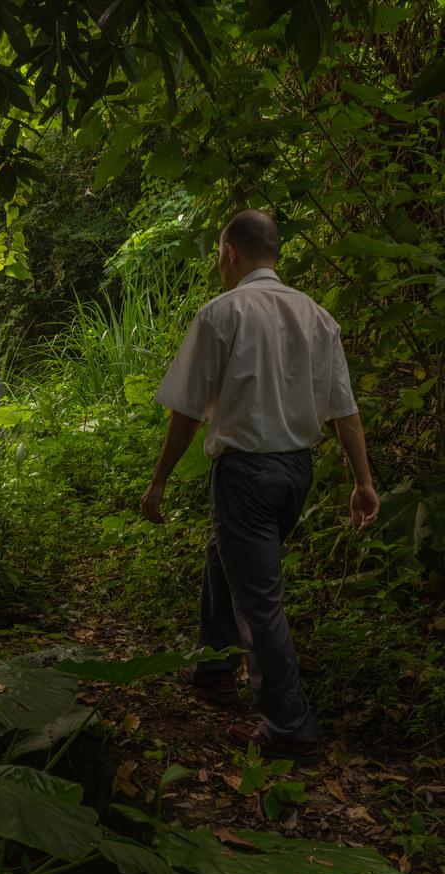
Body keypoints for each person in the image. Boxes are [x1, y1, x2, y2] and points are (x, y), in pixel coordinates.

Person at [140, 210, 380, 762]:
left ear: (229, 252)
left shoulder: (222, 313)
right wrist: (363, 482)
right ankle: (215, 667)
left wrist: (158, 481)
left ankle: (288, 726)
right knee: (224, 555)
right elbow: (345, 412)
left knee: (260, 600)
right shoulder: (318, 317)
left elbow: (187, 410)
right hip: (297, 471)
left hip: (246, 472)